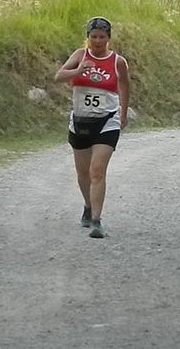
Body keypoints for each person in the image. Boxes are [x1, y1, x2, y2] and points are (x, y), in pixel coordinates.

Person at [55, 17, 130, 238]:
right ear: (88, 37)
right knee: (83, 173)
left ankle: (97, 220)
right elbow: (58, 76)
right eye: (94, 37)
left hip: (107, 120)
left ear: (109, 38)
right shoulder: (80, 55)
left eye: (102, 37)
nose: (98, 41)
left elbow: (125, 84)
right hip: (80, 120)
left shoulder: (118, 62)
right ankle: (88, 206)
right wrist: (77, 71)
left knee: (97, 170)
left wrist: (123, 113)